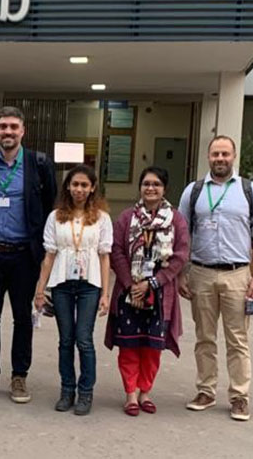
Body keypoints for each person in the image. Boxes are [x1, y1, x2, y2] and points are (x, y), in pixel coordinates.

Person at [178, 136, 253, 422]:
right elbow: (182, 236)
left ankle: (239, 396)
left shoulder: (250, 191)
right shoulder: (193, 191)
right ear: (208, 156)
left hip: (237, 274)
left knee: (237, 339)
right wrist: (182, 273)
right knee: (204, 338)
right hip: (201, 273)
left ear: (234, 157)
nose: (220, 158)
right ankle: (205, 390)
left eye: (225, 154)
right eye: (216, 153)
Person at [0, 105, 56, 403]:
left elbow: (49, 208)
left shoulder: (39, 163)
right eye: (3, 126)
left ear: (23, 131)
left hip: (23, 254)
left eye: (13, 127)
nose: (8, 132)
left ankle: (19, 375)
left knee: (23, 316)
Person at [105, 166, 189, 416]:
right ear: (140, 187)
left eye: (156, 184)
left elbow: (181, 254)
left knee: (153, 348)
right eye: (146, 184)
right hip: (129, 292)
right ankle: (130, 393)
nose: (150, 188)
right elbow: (116, 251)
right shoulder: (127, 217)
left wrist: (153, 283)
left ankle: (145, 391)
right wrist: (132, 285)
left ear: (164, 189)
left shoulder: (175, 219)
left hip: (161, 293)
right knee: (129, 345)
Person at [34, 165, 111, 415]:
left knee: (84, 340)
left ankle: (85, 392)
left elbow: (104, 257)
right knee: (65, 340)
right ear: (68, 186)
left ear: (92, 188)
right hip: (62, 284)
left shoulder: (102, 218)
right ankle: (67, 390)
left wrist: (105, 294)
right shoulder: (56, 216)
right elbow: (49, 255)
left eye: (84, 185)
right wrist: (40, 290)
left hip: (90, 285)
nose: (79, 189)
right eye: (75, 184)